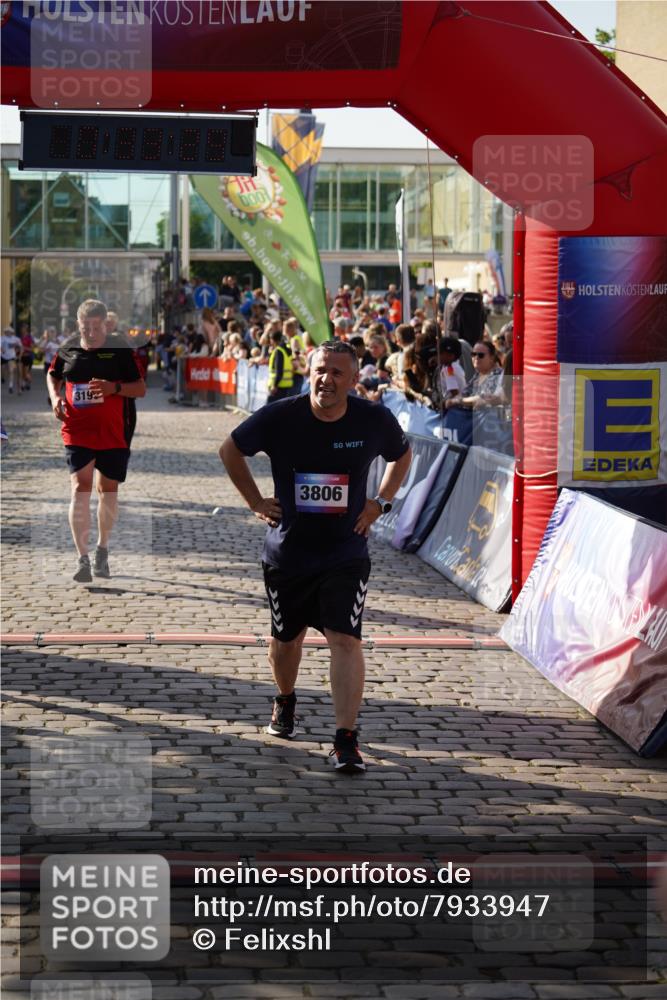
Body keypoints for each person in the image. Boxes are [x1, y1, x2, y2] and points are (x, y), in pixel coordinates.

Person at [219, 340, 412, 773]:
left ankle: (346, 739)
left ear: (354, 379)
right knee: (286, 641)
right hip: (288, 554)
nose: (327, 379)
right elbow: (229, 450)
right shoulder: (280, 416)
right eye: (320, 370)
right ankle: (285, 699)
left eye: (337, 372)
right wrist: (255, 501)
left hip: (346, 551)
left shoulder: (373, 418)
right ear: (310, 372)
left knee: (345, 639)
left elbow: (402, 456)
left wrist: (380, 503)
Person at [47, 299, 146, 583]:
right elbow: (52, 375)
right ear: (78, 325)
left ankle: (102, 549)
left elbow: (140, 389)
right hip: (77, 430)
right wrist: (55, 398)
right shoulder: (68, 348)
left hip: (114, 432)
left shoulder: (120, 350)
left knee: (108, 491)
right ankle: (82, 558)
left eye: (96, 327)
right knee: (81, 487)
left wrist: (114, 387)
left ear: (106, 325)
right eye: (85, 327)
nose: (90, 333)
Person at [444, 340, 504, 411]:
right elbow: (465, 392)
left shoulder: (498, 375)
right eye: (473, 354)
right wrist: (453, 400)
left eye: (481, 355)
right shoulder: (478, 374)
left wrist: (458, 401)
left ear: (492, 358)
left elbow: (483, 398)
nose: (476, 357)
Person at [266, 329, 294, 403]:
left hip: (278, 386)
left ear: (273, 340)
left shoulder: (279, 351)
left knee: (270, 407)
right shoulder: (286, 349)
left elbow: (279, 370)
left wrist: (274, 385)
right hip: (285, 385)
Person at [1, 326, 22, 394]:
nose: (8, 333)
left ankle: (10, 386)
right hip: (3, 356)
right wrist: (2, 349)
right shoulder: (2, 338)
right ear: (5, 332)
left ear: (12, 332)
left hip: (12, 357)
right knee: (2, 370)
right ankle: (2, 377)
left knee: (11, 371)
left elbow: (20, 346)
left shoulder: (15, 339)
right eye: (7, 332)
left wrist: (19, 354)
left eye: (9, 331)